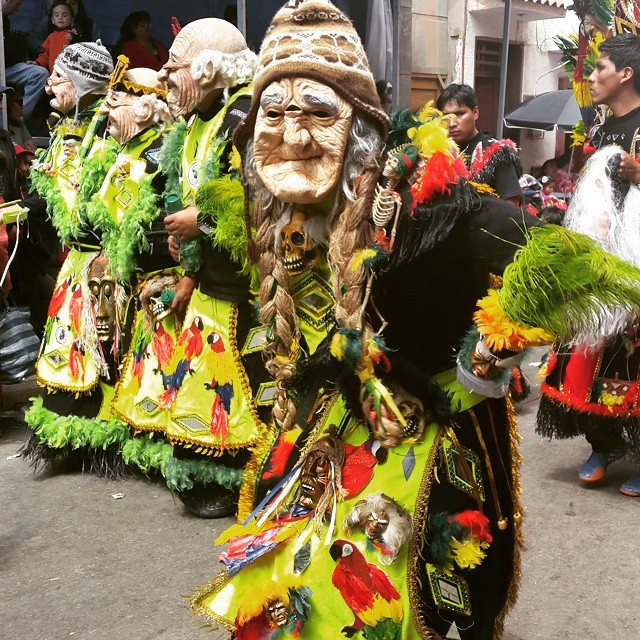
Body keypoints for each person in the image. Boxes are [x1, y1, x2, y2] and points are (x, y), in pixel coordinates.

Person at [189, 3, 640, 638]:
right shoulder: (267, 201)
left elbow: (563, 262)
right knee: (302, 589)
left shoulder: (423, 201)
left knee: (399, 592)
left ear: (363, 125)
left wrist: (475, 367)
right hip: (334, 419)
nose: (292, 136)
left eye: (317, 113)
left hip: (435, 425)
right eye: (276, 112)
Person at [111, 18, 267, 518]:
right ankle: (213, 474)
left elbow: (265, 200)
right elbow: (187, 194)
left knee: (248, 388)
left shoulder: (246, 117)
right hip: (212, 284)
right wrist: (188, 264)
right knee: (206, 386)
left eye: (173, 68)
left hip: (249, 288)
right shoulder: (197, 122)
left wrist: (201, 220)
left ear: (207, 69)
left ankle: (247, 477)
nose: (167, 79)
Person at [537, 33, 640, 497]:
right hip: (598, 264)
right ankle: (601, 444)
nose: (590, 76)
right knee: (590, 353)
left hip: (635, 270)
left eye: (599, 68)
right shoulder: (599, 130)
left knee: (632, 359)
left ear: (626, 74)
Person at [437, 83, 523, 206]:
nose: (451, 123)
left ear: (475, 113)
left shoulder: (497, 153)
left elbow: (512, 206)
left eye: (460, 114)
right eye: (446, 116)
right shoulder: (438, 153)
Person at [3, 0, 49, 121]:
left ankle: (18, 118)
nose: (17, 9)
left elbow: (8, 52)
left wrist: (25, 61)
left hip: (6, 68)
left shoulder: (5, 21)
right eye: (17, 4)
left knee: (41, 73)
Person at [30, 2, 80, 75]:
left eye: (64, 15)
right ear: (52, 20)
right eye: (56, 15)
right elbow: (46, 55)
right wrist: (37, 62)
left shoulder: (71, 34)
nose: (60, 17)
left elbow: (79, 45)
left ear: (72, 20)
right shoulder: (51, 37)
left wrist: (73, 38)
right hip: (53, 75)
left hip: (69, 75)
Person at [6, 84, 35, 151]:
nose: (23, 107)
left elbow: (32, 152)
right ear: (9, 103)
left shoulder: (18, 123)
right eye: (20, 102)